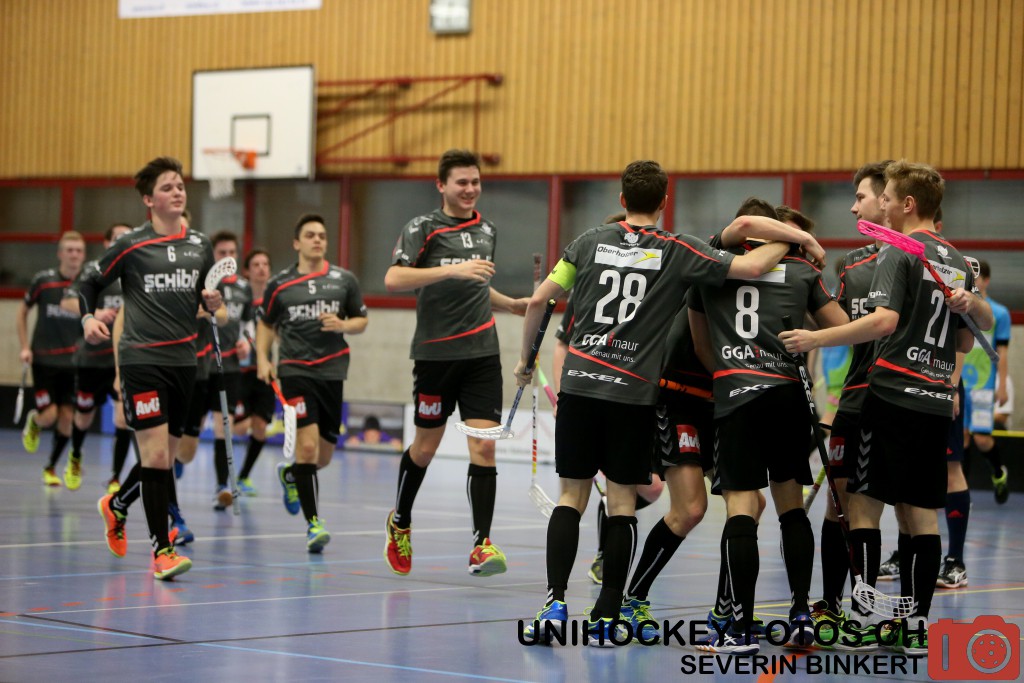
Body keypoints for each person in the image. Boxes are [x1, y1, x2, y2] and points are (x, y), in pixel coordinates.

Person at [516, 161, 821, 646]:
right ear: (664, 200)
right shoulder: (686, 251)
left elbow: (539, 302)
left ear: (622, 199)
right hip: (653, 395)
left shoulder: (590, 242)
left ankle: (560, 604)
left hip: (598, 386)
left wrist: (523, 362)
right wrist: (801, 240)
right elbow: (746, 263)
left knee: (577, 497)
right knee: (653, 505)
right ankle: (616, 609)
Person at [780, 160, 992, 653]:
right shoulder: (956, 260)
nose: (878, 207)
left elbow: (883, 323)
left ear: (905, 204)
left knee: (862, 508)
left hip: (892, 395)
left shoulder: (900, 249)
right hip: (933, 401)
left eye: (886, 199)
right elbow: (965, 341)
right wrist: (973, 304)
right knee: (920, 515)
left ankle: (860, 618)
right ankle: (914, 627)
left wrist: (814, 338)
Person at [622, 199, 818, 643]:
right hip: (680, 397)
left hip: (724, 400)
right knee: (691, 508)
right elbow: (703, 346)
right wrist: (802, 239)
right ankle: (633, 598)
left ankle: (728, 612)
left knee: (751, 505)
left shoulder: (774, 276)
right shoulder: (714, 258)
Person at [688, 197, 847, 653]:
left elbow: (702, 346)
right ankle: (801, 614)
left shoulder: (709, 268)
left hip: (736, 394)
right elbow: (841, 328)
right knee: (791, 508)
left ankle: (739, 628)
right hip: (788, 396)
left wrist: (733, 372)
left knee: (741, 509)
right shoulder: (802, 271)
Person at [382, 149, 528, 577]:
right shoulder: (422, 229)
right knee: (425, 448)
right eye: (461, 182)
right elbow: (394, 278)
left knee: (484, 446)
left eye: (475, 182)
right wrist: (450, 270)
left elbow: (476, 286)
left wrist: (510, 304)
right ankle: (400, 521)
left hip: (481, 354)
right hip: (436, 356)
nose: (470, 189)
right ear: (441, 185)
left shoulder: (487, 229)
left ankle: (482, 544)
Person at [81, 156, 221, 580]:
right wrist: (88, 318)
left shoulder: (200, 244)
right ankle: (163, 550)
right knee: (157, 455)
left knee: (166, 457)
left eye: (180, 186)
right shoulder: (131, 245)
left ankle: (117, 504)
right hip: (142, 360)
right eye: (167, 187)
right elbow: (88, 281)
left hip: (184, 362)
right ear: (148, 199)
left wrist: (212, 300)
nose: (177, 192)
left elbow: (208, 297)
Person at [551, 212, 665, 587]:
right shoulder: (589, 284)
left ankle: (580, 597)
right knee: (597, 497)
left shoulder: (657, 280)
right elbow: (562, 344)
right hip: (593, 393)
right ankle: (590, 589)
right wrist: (561, 393)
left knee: (644, 490)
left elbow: (540, 300)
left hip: (632, 396)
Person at [257, 213, 368, 553]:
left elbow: (361, 320)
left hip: (332, 372)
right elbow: (266, 323)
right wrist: (263, 358)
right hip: (294, 372)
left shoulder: (344, 280)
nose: (317, 239)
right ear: (297, 243)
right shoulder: (280, 284)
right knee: (306, 449)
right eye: (310, 235)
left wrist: (343, 325)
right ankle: (314, 524)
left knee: (323, 456)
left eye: (322, 235)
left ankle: (292, 475)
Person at [61, 223, 134, 494]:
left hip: (123, 360)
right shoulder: (95, 269)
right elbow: (67, 302)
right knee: (83, 418)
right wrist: (94, 313)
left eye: (128, 237)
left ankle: (115, 477)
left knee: (123, 419)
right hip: (91, 360)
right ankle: (75, 456)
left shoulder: (138, 270)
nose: (123, 241)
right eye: (117, 237)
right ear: (106, 243)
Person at [18, 231, 87, 486]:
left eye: (78, 250)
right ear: (60, 254)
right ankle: (35, 421)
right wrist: (25, 347)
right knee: (49, 415)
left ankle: (51, 467)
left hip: (74, 362)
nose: (74, 255)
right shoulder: (44, 281)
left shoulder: (87, 285)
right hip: (44, 360)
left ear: (83, 255)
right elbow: (22, 312)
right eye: (69, 250)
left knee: (68, 417)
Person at [963, 259, 1012, 505]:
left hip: (984, 384)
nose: (974, 282)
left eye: (977, 278)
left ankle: (998, 473)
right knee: (962, 438)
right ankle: (961, 494)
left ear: (986, 281)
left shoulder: (999, 313)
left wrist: (1001, 386)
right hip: (961, 383)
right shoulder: (961, 305)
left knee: (981, 439)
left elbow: (1002, 352)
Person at [235, 248, 276, 493]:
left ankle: (243, 477)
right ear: (247, 271)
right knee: (237, 426)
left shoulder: (274, 302)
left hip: (264, 372)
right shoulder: (239, 300)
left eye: (265, 264)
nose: (261, 268)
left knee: (261, 427)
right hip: (240, 372)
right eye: (256, 264)